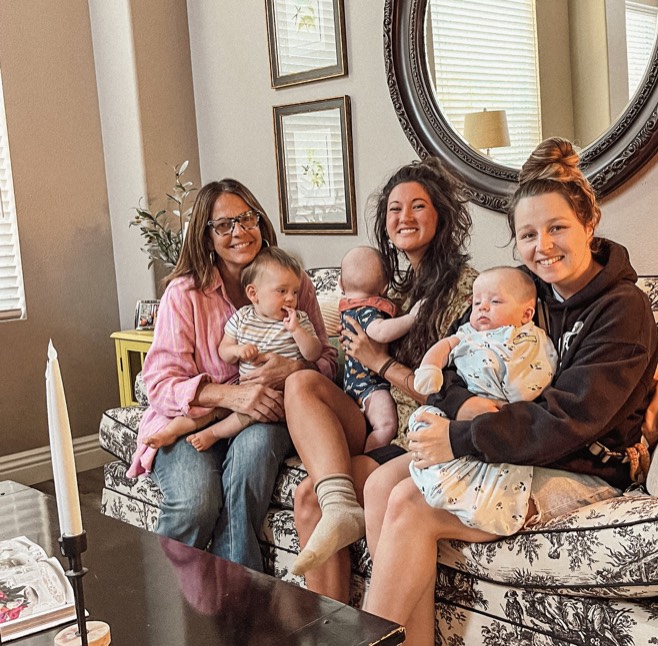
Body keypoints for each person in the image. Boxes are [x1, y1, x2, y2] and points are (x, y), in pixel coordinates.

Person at [362, 137, 658, 645]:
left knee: (411, 504)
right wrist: (470, 408)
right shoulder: (520, 291)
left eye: (557, 227)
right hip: (508, 446)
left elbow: (565, 422)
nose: (542, 246)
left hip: (579, 464)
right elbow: (449, 363)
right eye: (528, 234)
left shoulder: (622, 310)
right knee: (378, 485)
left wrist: (460, 437)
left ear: (589, 225)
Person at [282, 157, 477, 592]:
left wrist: (379, 362)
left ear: (442, 215)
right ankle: (330, 629)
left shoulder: (468, 290)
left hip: (423, 430)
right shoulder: (396, 291)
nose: (404, 216)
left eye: (418, 206)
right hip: (376, 415)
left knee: (306, 497)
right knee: (300, 384)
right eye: (394, 208)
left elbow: (455, 398)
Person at [127, 179, 338, 572]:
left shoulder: (293, 284)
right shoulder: (185, 294)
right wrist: (230, 396)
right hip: (192, 420)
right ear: (206, 238)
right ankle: (172, 608)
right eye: (223, 225)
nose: (239, 232)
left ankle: (240, 605)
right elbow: (157, 383)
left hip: (265, 416)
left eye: (246, 219)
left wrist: (293, 368)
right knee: (196, 502)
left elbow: (327, 362)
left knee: (250, 463)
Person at [408, 265, 558, 535]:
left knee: (407, 505)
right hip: (460, 414)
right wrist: (434, 375)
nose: (482, 308)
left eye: (495, 302)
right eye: (477, 302)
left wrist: (509, 401)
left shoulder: (531, 338)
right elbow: (442, 358)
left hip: (506, 422)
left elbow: (539, 377)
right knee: (381, 483)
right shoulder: (468, 333)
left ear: (527, 313)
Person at [140, 246, 322, 452]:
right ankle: (170, 432)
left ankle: (213, 433)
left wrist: (297, 333)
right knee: (209, 412)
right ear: (253, 293)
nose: (291, 298)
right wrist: (238, 350)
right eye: (282, 291)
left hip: (279, 399)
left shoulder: (299, 320)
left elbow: (316, 354)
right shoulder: (243, 317)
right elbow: (224, 350)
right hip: (238, 395)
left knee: (246, 422)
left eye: (295, 292)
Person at [338, 245, 423, 452]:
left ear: (340, 284)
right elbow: (381, 332)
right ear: (385, 287)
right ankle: (368, 455)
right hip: (369, 386)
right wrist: (412, 318)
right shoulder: (367, 310)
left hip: (351, 384)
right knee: (386, 426)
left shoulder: (348, 308)